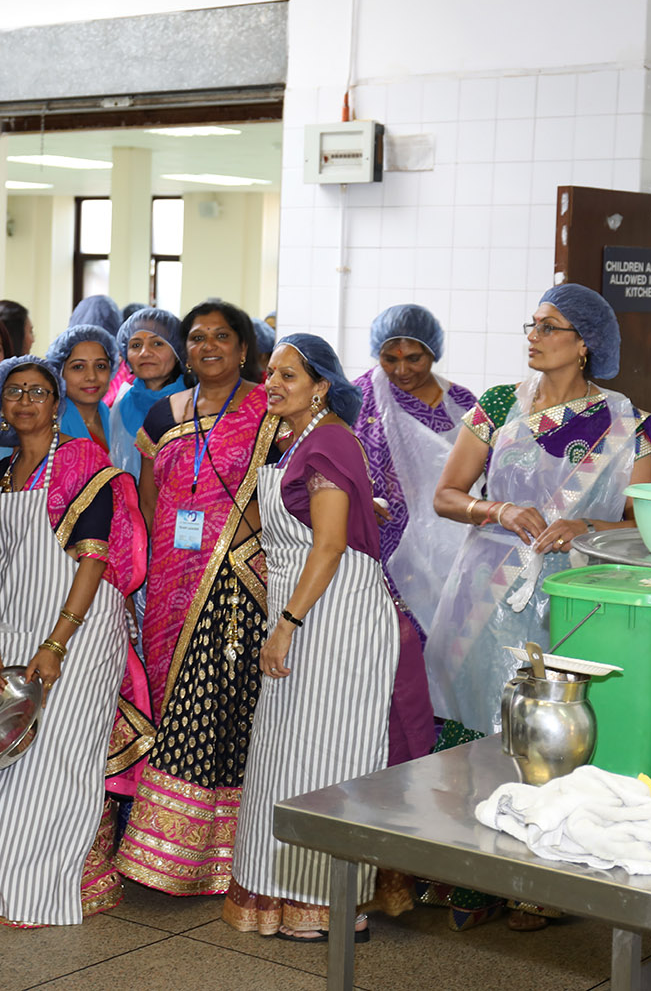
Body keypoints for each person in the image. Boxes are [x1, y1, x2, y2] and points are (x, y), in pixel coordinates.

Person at [0, 355, 148, 926]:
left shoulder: (83, 462)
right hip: (14, 620)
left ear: (57, 403)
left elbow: (94, 561)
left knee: (60, 758)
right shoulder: (2, 471)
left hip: (79, 631)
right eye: (12, 391)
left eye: (37, 392)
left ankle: (43, 894)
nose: (24, 401)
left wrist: (57, 644)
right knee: (2, 758)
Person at [226, 333, 400, 942]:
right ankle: (279, 895)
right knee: (286, 752)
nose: (272, 384)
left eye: (289, 376)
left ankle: (327, 903)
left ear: (322, 386)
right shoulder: (288, 440)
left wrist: (287, 625)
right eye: (270, 373)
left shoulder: (328, 440)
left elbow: (328, 547)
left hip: (334, 617)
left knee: (327, 752)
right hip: (302, 605)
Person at [429, 284, 651, 737]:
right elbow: (446, 496)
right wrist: (499, 511)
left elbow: (643, 525)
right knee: (473, 723)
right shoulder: (498, 405)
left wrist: (586, 526)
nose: (533, 335)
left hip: (573, 596)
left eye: (548, 327)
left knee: (551, 727)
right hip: (484, 596)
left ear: (584, 342)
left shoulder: (626, 423)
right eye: (532, 325)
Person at [116, 299, 277, 896]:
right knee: (166, 698)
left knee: (218, 704)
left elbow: (285, 494)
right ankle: (161, 851)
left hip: (237, 577)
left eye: (222, 336)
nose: (208, 346)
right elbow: (153, 499)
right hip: (169, 581)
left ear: (243, 348)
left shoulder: (268, 409)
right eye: (198, 337)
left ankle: (217, 857)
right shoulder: (165, 412)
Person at [352, 304, 473, 765]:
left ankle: (438, 750)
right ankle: (385, 756)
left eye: (414, 358)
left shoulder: (463, 402)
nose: (401, 370)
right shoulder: (361, 397)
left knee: (445, 648)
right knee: (394, 654)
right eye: (390, 358)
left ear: (433, 353)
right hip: (388, 554)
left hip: (452, 547)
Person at [108, 307, 188, 478]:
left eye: (157, 343)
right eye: (136, 345)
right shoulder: (121, 404)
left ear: (177, 351)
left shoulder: (194, 403)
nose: (145, 353)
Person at [46, 325, 116, 451]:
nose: (91, 377)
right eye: (78, 367)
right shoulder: (50, 425)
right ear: (60, 373)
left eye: (100, 366)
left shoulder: (112, 416)